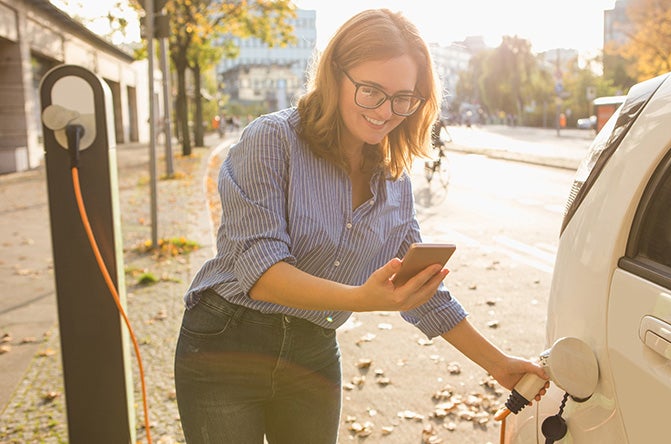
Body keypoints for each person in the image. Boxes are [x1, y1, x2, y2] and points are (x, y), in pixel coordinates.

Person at [174, 8, 547, 444]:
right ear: (335, 74)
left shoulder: (394, 179)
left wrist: (497, 363)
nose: (386, 112)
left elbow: (421, 289)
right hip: (227, 341)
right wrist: (362, 299)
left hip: (313, 349)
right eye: (371, 91)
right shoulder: (273, 140)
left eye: (402, 97)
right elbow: (261, 273)